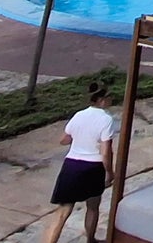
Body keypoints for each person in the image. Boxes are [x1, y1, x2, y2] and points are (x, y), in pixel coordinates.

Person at [42, 79, 116, 243]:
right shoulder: (107, 120)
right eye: (110, 96)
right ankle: (90, 239)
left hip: (72, 165)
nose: (112, 99)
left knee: (63, 211)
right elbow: (106, 151)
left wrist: (79, 136)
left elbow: (64, 140)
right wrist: (110, 172)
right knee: (93, 206)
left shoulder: (79, 115)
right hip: (93, 167)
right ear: (102, 100)